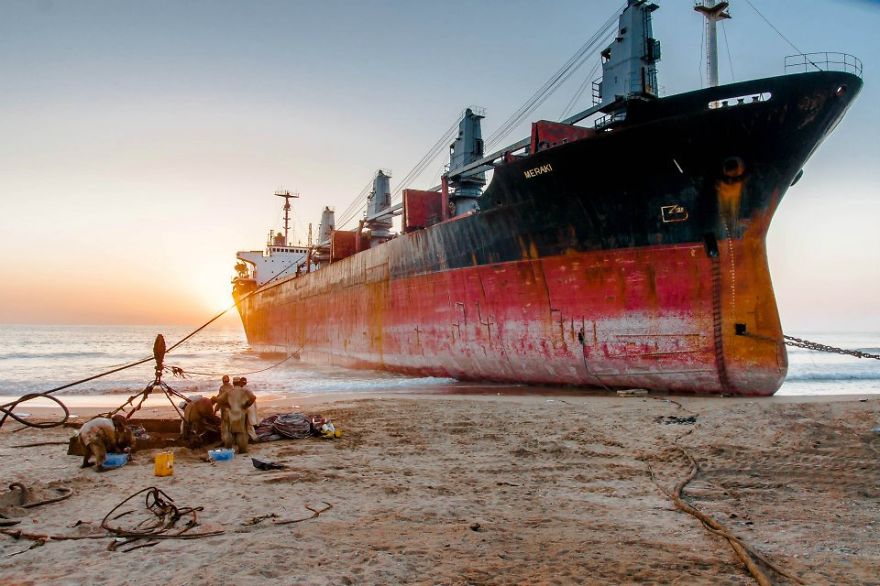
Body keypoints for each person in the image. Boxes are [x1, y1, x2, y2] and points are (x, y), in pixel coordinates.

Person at [213, 376, 256, 453]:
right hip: (241, 414)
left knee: (229, 432)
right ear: (240, 383)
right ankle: (242, 450)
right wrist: (246, 405)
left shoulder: (229, 392)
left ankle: (229, 449)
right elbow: (253, 397)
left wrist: (216, 400)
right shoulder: (244, 391)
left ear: (233, 383)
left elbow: (219, 400)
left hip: (231, 414)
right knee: (241, 432)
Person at [239, 376, 259, 442]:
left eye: (240, 383)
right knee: (249, 423)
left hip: (248, 409)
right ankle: (251, 438)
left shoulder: (243, 389)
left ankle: (254, 438)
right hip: (251, 408)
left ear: (241, 383)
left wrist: (246, 406)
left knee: (248, 424)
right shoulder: (248, 388)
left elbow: (253, 397)